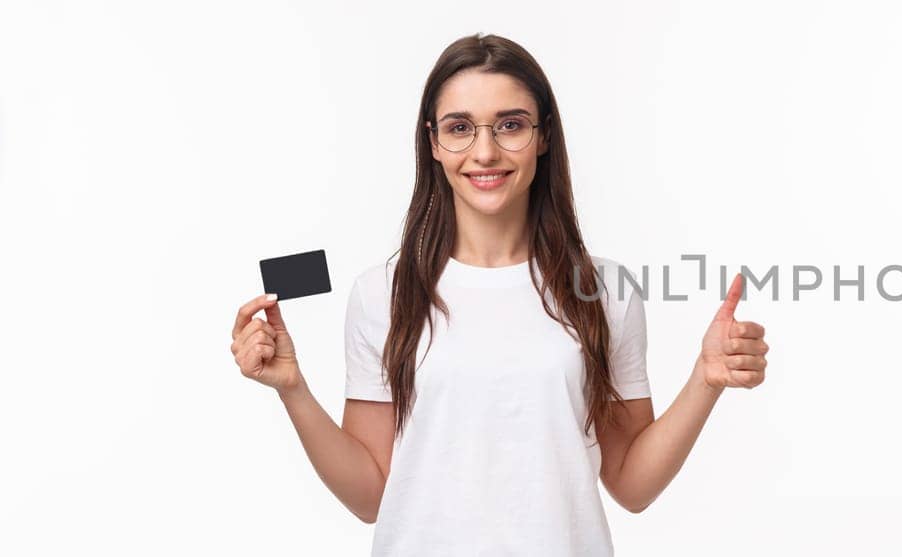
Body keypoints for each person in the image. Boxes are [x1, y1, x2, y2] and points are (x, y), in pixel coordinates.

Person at [225, 33, 771, 556]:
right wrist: (292, 389)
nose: (485, 152)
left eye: (510, 125)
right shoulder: (382, 294)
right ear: (433, 142)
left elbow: (631, 483)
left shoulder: (604, 291)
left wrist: (706, 379)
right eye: (460, 127)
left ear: (543, 136)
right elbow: (372, 495)